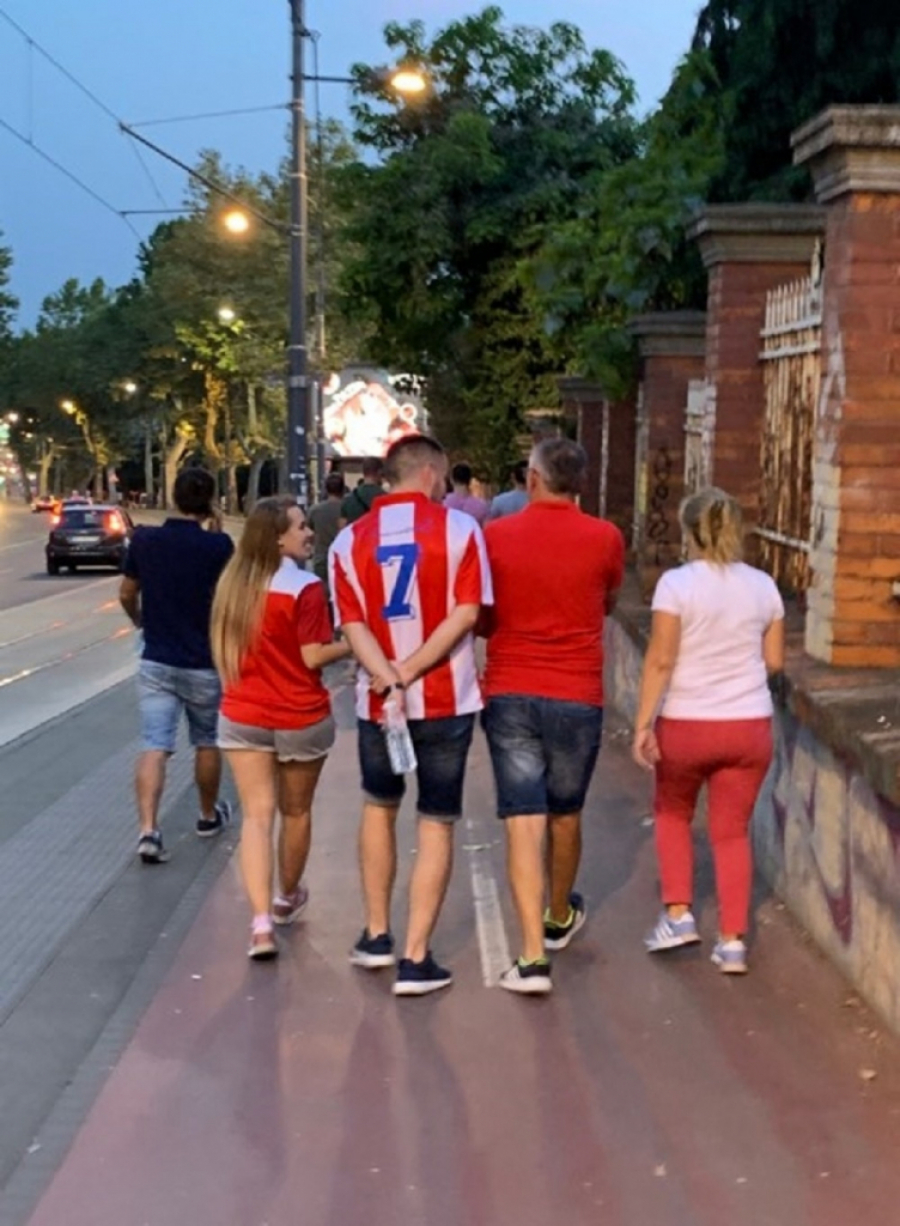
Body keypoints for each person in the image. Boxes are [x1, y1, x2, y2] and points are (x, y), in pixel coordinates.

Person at [330, 434, 492, 996]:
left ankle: (377, 934)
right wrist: (413, 669)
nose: (444, 486)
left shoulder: (349, 540)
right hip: (446, 699)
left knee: (378, 807)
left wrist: (387, 674)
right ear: (428, 473)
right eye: (441, 476)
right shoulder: (460, 530)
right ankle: (417, 957)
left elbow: (351, 625)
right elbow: (466, 614)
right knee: (436, 819)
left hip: (378, 701)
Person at [481, 439, 625, 994]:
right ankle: (559, 913)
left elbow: (482, 616)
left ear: (533, 479)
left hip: (511, 688)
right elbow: (608, 600)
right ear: (580, 483)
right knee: (565, 812)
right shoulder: (605, 537)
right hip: (577, 692)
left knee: (523, 818)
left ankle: (531, 957)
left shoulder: (496, 536)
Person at [632, 487, 785, 975]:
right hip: (749, 726)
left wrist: (643, 724)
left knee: (673, 812)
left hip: (687, 723)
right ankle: (733, 942)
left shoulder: (676, 585)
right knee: (731, 831)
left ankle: (679, 915)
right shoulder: (764, 586)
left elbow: (661, 659)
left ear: (689, 531)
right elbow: (774, 661)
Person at [211, 497, 351, 960]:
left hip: (243, 714)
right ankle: (287, 896)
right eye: (301, 526)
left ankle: (259, 925)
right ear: (277, 538)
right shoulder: (304, 587)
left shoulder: (233, 585)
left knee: (255, 817)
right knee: (296, 813)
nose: (309, 533)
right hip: (299, 716)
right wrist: (352, 644)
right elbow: (313, 656)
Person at [119, 468, 234, 865]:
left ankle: (148, 830)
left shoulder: (146, 540)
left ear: (174, 495)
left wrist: (139, 620)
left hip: (157, 660)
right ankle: (207, 816)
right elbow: (227, 599)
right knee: (206, 740)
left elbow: (127, 592)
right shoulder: (218, 546)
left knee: (155, 744)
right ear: (210, 501)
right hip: (203, 662)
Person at [308, 472, 346, 589]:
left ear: (326, 489)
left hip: (321, 558)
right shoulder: (346, 509)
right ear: (343, 489)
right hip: (342, 558)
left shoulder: (315, 510)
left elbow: (309, 531)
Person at [339, 457, 384, 528]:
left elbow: (342, 526)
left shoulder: (349, 498)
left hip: (356, 534)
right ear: (379, 472)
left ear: (363, 472)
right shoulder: (385, 497)